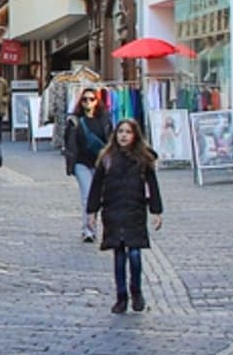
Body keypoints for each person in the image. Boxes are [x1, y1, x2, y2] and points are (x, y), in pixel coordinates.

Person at [90, 112, 164, 313]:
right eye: (120, 132)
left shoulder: (143, 159)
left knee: (134, 254)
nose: (123, 136)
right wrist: (92, 212)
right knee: (119, 255)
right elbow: (96, 186)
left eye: (128, 132)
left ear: (135, 135)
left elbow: (152, 186)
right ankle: (121, 296)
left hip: (135, 210)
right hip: (113, 210)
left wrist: (156, 210)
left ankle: (136, 291)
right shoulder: (107, 158)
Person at [59, 85, 112, 243]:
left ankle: (104, 229)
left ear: (97, 101)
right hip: (81, 163)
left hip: (100, 164)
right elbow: (69, 143)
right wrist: (70, 162)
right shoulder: (74, 121)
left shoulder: (104, 120)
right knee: (87, 196)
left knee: (102, 197)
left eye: (91, 99)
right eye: (84, 99)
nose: (88, 102)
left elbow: (111, 140)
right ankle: (88, 230)